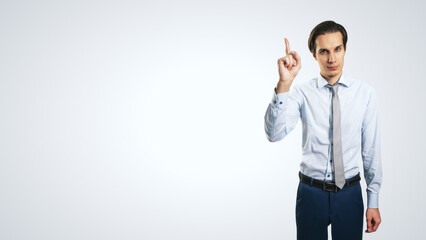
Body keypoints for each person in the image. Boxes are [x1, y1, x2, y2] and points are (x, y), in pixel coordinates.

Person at [264, 20, 382, 240]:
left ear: (345, 49)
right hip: (310, 195)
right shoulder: (301, 93)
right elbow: (274, 134)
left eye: (337, 49)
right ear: (313, 54)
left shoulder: (365, 94)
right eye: (324, 51)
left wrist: (373, 200)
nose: (332, 59)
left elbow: (371, 151)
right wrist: (284, 84)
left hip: (349, 194)